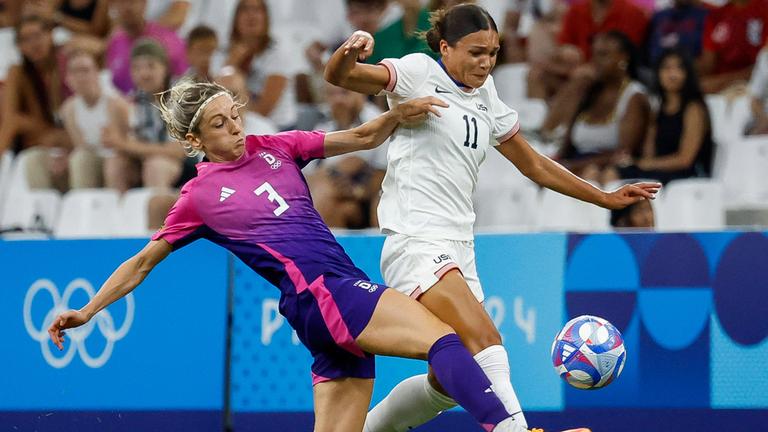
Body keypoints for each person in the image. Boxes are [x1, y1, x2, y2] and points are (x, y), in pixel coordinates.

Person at [47, 79, 525, 432]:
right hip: (324, 293)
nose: (234, 128)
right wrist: (89, 310)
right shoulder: (198, 198)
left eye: (234, 115)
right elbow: (142, 263)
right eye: (219, 124)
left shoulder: (274, 145)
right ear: (195, 141)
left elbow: (360, 137)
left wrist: (399, 115)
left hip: (322, 306)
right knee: (445, 342)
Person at [324, 4, 658, 431]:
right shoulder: (417, 72)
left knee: (446, 384)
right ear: (445, 48)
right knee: (488, 344)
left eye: (494, 53)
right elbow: (340, 76)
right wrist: (352, 49)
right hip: (416, 240)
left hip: (460, 247)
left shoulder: (486, 97)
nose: (485, 62)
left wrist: (604, 198)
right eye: (475, 52)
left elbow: (534, 165)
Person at [556, 31, 650, 184]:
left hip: (609, 170)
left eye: (603, 55)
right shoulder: (589, 91)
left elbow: (623, 154)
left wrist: (573, 166)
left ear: (623, 57)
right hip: (575, 165)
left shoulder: (634, 97)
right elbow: (563, 141)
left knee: (591, 174)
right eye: (594, 55)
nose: (595, 61)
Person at [613, 48, 713, 184]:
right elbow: (649, 154)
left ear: (687, 73)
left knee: (623, 177)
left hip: (687, 174)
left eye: (679, 68)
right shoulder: (658, 108)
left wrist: (643, 164)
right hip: (659, 169)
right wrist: (630, 161)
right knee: (613, 172)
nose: (672, 74)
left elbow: (685, 159)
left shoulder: (694, 108)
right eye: (666, 68)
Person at [61, 49, 133, 189]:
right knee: (79, 159)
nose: (80, 77)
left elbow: (126, 143)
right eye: (75, 72)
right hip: (93, 159)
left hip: (119, 160)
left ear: (97, 74)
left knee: (113, 165)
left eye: (85, 70)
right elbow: (81, 146)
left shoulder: (115, 104)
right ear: (68, 79)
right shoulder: (68, 109)